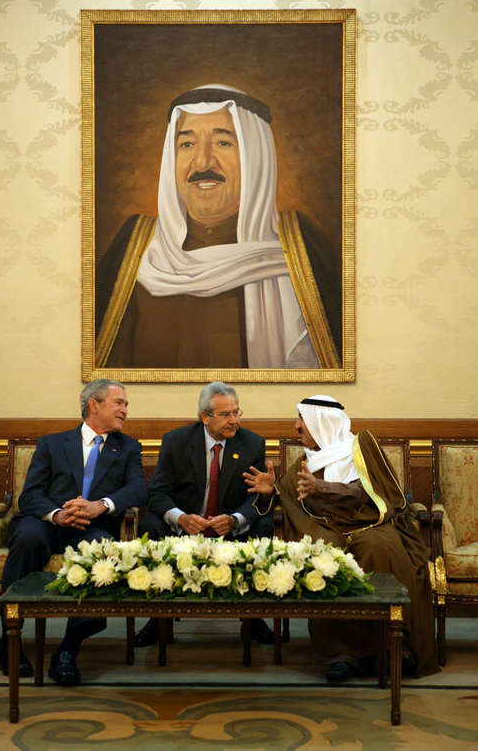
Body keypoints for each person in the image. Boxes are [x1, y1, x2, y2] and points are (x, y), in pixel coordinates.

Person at [96, 84, 341, 370]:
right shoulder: (134, 247)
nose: (202, 162)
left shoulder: (300, 248)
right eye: (186, 144)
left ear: (255, 158)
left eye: (223, 143)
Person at [243, 395, 439, 680]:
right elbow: (289, 498)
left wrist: (322, 487)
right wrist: (271, 491)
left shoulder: (360, 449)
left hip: (369, 522)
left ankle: (395, 646)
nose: (296, 426)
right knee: (325, 555)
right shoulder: (304, 462)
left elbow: (370, 491)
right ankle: (341, 655)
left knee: (379, 549)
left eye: (302, 421)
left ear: (321, 423)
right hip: (327, 527)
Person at [0, 379, 147, 685]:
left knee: (102, 549)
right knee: (27, 537)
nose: (125, 410)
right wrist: (58, 514)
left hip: (91, 528)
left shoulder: (128, 447)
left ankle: (68, 649)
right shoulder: (52, 444)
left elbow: (138, 490)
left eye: (126, 404)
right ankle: (8, 639)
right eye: (119, 403)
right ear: (94, 405)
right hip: (46, 523)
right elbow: (30, 496)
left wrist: (100, 506)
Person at [135, 381, 275, 647]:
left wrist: (236, 519)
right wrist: (181, 518)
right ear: (204, 417)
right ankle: (157, 620)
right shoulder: (176, 442)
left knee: (264, 525)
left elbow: (256, 496)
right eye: (226, 415)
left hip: (232, 532)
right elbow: (157, 494)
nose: (234, 420)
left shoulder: (252, 443)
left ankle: (254, 618)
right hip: (185, 530)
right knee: (150, 525)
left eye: (237, 412)